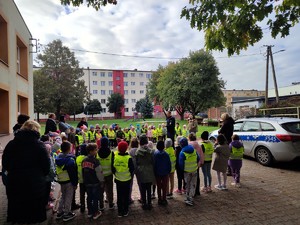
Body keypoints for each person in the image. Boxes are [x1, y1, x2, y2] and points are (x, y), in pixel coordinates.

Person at [2, 120, 50, 224]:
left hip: (15, 182)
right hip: (34, 183)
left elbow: (5, 163)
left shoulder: (12, 144)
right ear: (36, 130)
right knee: (33, 214)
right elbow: (46, 166)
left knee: (18, 211)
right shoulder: (39, 145)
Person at [55, 141, 78, 222]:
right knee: (68, 197)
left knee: (63, 196)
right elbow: (73, 174)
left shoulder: (58, 157)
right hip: (68, 181)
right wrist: (75, 183)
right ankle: (66, 213)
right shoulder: (70, 160)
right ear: (69, 149)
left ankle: (59, 212)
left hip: (61, 180)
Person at [82, 143, 104, 220]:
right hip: (95, 182)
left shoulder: (84, 160)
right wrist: (102, 181)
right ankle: (95, 212)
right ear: (91, 151)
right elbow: (99, 172)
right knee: (95, 198)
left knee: (89, 197)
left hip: (87, 182)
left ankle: (90, 212)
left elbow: (83, 172)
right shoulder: (95, 161)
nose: (97, 151)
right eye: (95, 150)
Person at [113, 141, 134, 217]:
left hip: (118, 180)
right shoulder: (128, 158)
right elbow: (132, 169)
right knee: (126, 195)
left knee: (119, 195)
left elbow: (113, 168)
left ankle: (120, 211)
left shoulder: (115, 157)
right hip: (127, 180)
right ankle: (125, 210)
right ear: (126, 149)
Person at [135, 134, 156, 210]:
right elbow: (153, 161)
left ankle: (144, 203)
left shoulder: (137, 152)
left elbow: (137, 162)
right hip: (149, 171)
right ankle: (149, 203)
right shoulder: (151, 151)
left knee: (143, 188)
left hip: (141, 171)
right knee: (149, 188)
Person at [179, 137, 200, 206]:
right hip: (194, 170)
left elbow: (181, 164)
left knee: (187, 184)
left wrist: (183, 170)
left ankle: (187, 198)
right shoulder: (193, 150)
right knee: (193, 184)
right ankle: (191, 198)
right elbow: (198, 158)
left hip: (187, 171)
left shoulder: (182, 153)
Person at [97, 137, 115, 211]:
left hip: (100, 175)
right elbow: (113, 164)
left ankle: (101, 205)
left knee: (100, 190)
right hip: (109, 174)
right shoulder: (111, 153)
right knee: (110, 189)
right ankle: (110, 203)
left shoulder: (97, 153)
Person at [154, 140, 171, 206]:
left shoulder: (155, 154)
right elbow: (168, 163)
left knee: (159, 186)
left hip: (158, 173)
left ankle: (159, 199)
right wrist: (168, 171)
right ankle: (164, 198)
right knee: (164, 186)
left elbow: (154, 164)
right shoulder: (166, 154)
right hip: (165, 173)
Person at [75, 144, 87, 213]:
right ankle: (90, 204)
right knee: (89, 193)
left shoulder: (77, 158)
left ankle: (82, 206)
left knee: (82, 193)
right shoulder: (88, 158)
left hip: (80, 179)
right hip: (88, 180)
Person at [128, 137, 140, 203]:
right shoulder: (139, 150)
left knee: (130, 183)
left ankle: (129, 198)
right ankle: (142, 197)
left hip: (131, 168)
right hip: (138, 168)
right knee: (140, 183)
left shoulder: (129, 151)